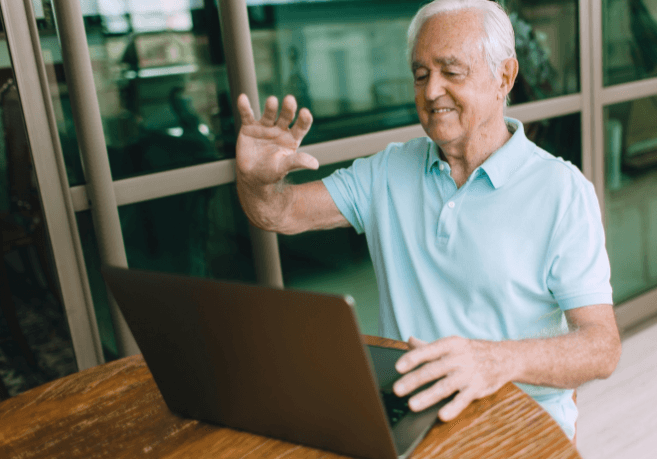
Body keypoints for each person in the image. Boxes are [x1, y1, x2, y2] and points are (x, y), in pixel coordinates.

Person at [235, 0, 621, 440]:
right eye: (421, 75)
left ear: (504, 77)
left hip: (517, 423)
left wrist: (495, 361)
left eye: (451, 72)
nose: (432, 91)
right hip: (410, 413)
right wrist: (256, 182)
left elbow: (601, 347)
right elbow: (279, 212)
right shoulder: (386, 170)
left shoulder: (562, 190)